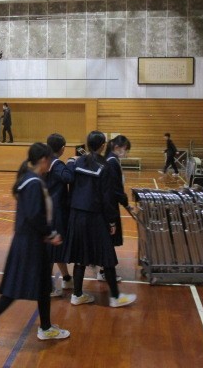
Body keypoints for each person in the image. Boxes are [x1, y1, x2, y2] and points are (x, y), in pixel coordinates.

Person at [0, 143, 70, 346]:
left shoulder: (30, 179)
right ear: (43, 160)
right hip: (29, 244)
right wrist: (50, 233)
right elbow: (34, 215)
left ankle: (46, 328)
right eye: (49, 160)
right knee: (14, 289)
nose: (50, 164)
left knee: (43, 285)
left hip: (33, 242)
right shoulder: (33, 182)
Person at [63, 131, 136, 308]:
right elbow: (107, 197)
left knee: (80, 256)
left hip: (76, 214)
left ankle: (77, 295)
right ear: (103, 145)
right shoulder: (105, 166)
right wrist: (112, 221)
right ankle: (115, 297)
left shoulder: (77, 162)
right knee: (107, 255)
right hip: (95, 216)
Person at [97, 135, 133, 282]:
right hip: (109, 206)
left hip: (110, 204)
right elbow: (115, 189)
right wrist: (127, 204)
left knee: (108, 240)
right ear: (117, 147)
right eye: (126, 149)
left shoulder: (112, 160)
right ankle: (105, 271)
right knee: (108, 239)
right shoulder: (112, 162)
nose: (126, 153)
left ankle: (103, 269)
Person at [46, 133, 74, 296]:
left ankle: (67, 278)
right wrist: (71, 163)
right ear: (63, 148)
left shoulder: (45, 161)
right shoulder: (56, 164)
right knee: (51, 249)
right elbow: (68, 177)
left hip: (49, 209)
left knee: (56, 247)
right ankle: (48, 287)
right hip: (55, 212)